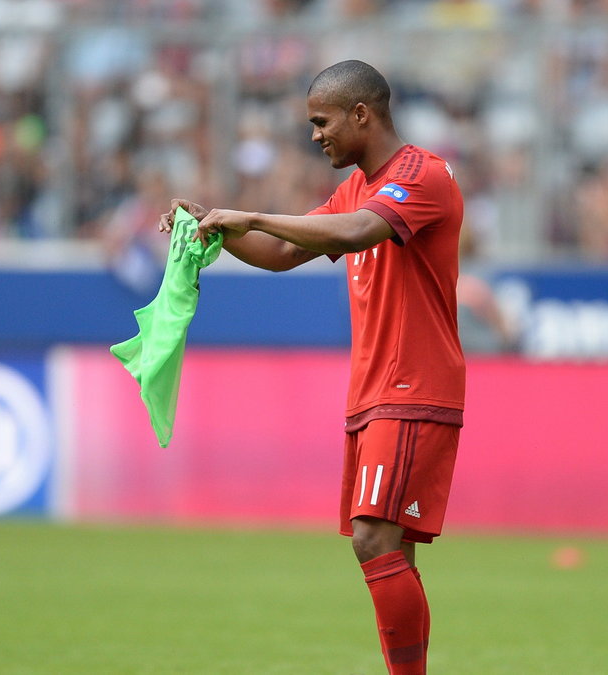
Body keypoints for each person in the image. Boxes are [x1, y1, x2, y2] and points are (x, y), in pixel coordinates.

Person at [162, 60, 464, 675]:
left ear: (362, 114)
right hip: (374, 391)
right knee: (389, 550)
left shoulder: (421, 175)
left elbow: (353, 234)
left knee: (372, 538)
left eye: (321, 122)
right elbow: (279, 252)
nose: (315, 135)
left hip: (412, 386)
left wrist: (250, 214)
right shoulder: (357, 186)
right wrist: (212, 226)